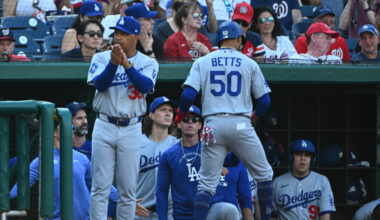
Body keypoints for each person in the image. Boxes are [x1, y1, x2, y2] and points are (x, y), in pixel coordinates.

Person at [175, 21, 274, 220]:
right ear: (238, 39)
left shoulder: (202, 61)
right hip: (241, 123)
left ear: (218, 40)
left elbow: (187, 97)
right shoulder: (249, 62)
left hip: (212, 125)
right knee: (264, 176)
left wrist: (180, 115)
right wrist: (253, 118)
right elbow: (264, 102)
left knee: (206, 186)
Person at [87, 16, 158, 219]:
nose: (118, 37)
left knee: (128, 190)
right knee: (100, 186)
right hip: (105, 123)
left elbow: (145, 86)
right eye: (116, 33)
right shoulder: (101, 57)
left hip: (131, 127)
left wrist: (127, 65)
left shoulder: (147, 62)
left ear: (135, 36)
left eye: (124, 34)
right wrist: (112, 64)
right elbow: (99, 85)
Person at [156, 105, 246, 220]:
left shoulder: (211, 148)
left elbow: (233, 161)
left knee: (230, 209)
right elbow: (161, 191)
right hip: (184, 214)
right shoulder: (168, 155)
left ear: (200, 125)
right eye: (186, 119)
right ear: (179, 124)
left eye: (195, 120)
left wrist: (236, 139)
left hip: (210, 210)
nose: (190, 123)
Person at [10, 110, 92, 219]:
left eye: (72, 127)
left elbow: (101, 186)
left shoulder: (82, 158)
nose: (71, 130)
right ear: (54, 132)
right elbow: (20, 188)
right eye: (65, 126)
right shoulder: (41, 161)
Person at [66, 101, 118, 220]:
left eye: (85, 118)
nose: (84, 121)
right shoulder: (60, 151)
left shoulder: (97, 149)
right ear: (68, 122)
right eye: (79, 118)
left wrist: (109, 215)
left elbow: (110, 187)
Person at [135, 96, 179, 219]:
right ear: (151, 115)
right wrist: (129, 202)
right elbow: (122, 177)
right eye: (163, 109)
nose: (168, 113)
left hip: (169, 212)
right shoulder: (136, 143)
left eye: (170, 111)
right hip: (140, 211)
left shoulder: (177, 144)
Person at [271, 139, 336, 220]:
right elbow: (272, 215)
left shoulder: (322, 181)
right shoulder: (277, 182)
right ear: (291, 157)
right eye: (298, 154)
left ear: (312, 159)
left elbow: (325, 215)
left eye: (307, 155)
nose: (303, 158)